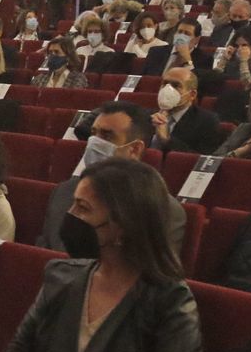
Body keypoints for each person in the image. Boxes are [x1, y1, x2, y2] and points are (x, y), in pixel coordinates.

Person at [4, 158, 201, 352]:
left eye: (83, 209)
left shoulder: (169, 301)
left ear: (123, 224)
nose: (70, 216)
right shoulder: (62, 276)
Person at [38, 101, 186, 253]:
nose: (94, 142)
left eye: (107, 136)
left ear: (134, 149)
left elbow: (153, 272)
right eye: (94, 134)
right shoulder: (64, 191)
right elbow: (43, 254)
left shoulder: (163, 211)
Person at [153, 66, 222, 154]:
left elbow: (200, 160)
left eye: (176, 85)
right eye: (165, 83)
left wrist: (167, 140)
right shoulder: (148, 116)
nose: (167, 89)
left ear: (192, 95)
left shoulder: (206, 121)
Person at [142, 19, 211, 75]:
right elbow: (145, 78)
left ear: (196, 39)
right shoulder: (156, 52)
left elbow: (197, 84)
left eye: (187, 34)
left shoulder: (204, 59)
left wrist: (188, 61)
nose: (181, 36)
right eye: (179, 32)